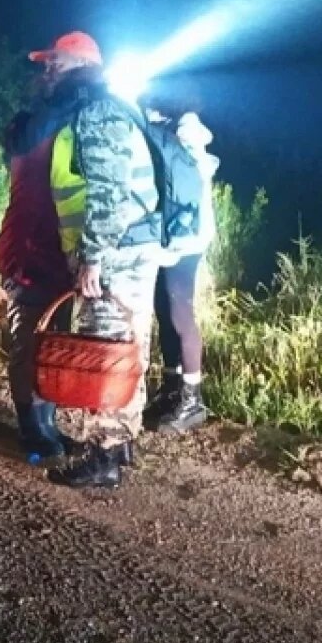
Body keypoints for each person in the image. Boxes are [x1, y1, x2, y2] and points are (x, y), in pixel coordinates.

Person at [25, 31, 163, 490]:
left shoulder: (98, 111)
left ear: (80, 64)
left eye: (55, 63)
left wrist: (92, 259)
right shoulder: (101, 107)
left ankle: (102, 456)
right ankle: (118, 443)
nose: (47, 71)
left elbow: (108, 194)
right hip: (126, 250)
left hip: (114, 254)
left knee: (104, 348)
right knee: (123, 345)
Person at [0, 85, 78, 465]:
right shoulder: (33, 140)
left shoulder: (40, 136)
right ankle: (31, 429)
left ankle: (45, 423)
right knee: (28, 343)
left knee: (49, 344)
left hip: (52, 255)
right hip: (28, 255)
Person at [141, 97, 219, 433]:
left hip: (186, 240)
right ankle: (172, 387)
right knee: (164, 308)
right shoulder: (174, 131)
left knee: (180, 313)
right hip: (172, 235)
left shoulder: (184, 133)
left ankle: (192, 400)